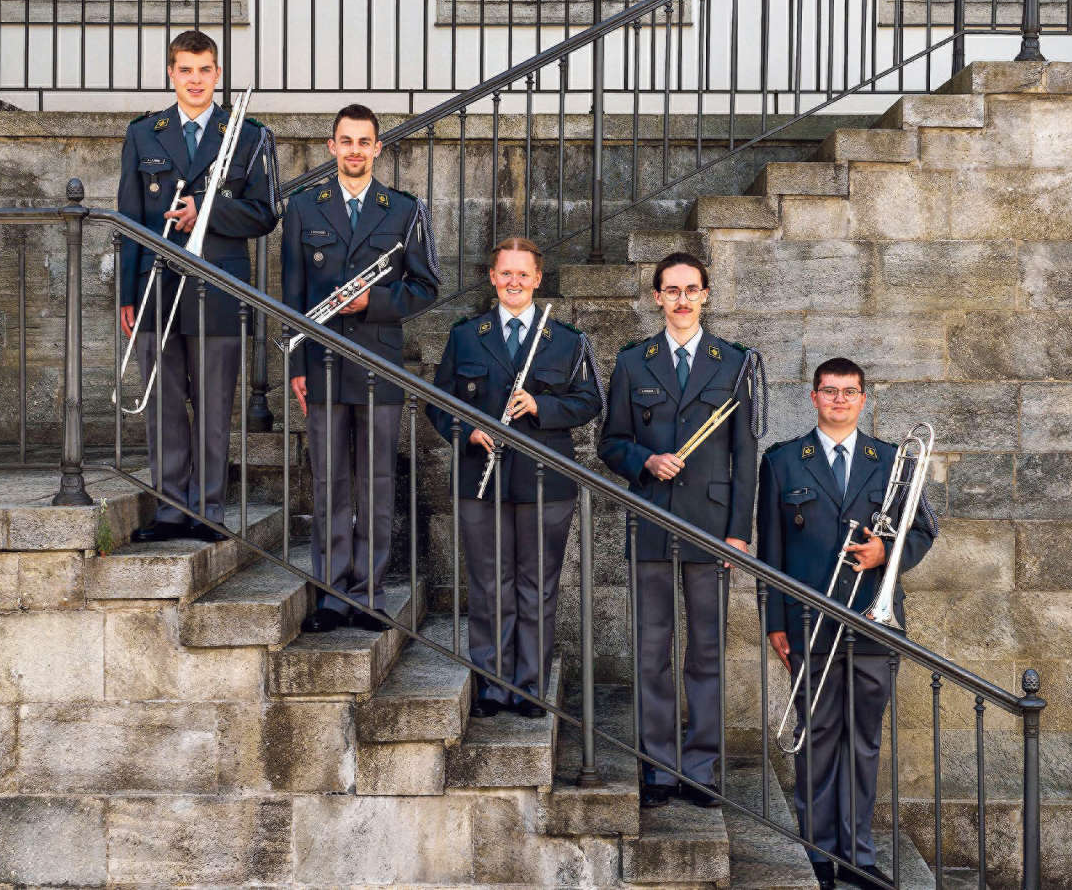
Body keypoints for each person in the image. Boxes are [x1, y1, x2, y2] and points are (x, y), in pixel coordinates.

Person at [756, 357, 937, 890]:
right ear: (813, 397)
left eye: (849, 391)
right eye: (829, 391)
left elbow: (924, 530)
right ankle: (817, 852)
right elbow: (770, 551)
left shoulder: (892, 460)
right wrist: (775, 620)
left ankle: (858, 855)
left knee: (863, 742)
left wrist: (887, 553)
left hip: (872, 622)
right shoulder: (783, 461)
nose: (839, 400)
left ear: (864, 399)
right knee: (817, 739)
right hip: (808, 621)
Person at [598, 252, 763, 809]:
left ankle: (703, 769)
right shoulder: (633, 362)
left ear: (707, 295)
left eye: (692, 289)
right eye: (672, 290)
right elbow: (611, 442)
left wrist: (738, 532)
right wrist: (645, 461)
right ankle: (658, 767)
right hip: (650, 521)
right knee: (652, 652)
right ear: (657, 298)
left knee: (706, 652)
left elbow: (745, 452)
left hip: (711, 526)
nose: (683, 299)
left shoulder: (733, 362)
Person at [428, 237, 603, 718]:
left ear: (538, 279)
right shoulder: (466, 334)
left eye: (523, 274)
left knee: (536, 587)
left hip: (545, 482)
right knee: (489, 585)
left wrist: (541, 405)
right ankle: (492, 685)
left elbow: (589, 402)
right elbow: (438, 402)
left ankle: (528, 686)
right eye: (506, 273)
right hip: (480, 481)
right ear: (492, 277)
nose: (514, 282)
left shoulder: (566, 339)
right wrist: (468, 432)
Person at [117, 29, 280, 543]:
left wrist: (206, 214)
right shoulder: (145, 133)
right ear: (172, 73)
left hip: (220, 284)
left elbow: (266, 213)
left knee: (213, 402)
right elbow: (129, 217)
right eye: (185, 69)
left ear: (217, 74)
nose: (194, 79)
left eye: (204, 69)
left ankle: (208, 508)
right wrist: (126, 292)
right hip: (156, 283)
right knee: (163, 399)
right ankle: (169, 507)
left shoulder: (248, 134)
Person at [283, 103, 441, 633]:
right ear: (332, 148)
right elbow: (293, 296)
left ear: (378, 148)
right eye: (345, 141)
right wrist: (298, 365)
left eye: (364, 141)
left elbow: (425, 287)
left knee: (375, 485)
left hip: (379, 367)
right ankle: (331, 593)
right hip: (323, 364)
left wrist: (371, 302)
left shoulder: (403, 209)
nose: (354, 150)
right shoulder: (304, 209)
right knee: (329, 484)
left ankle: (370, 592)